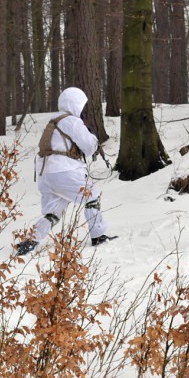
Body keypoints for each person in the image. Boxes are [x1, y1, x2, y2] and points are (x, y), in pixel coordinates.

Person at [16, 87, 115, 255]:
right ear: (77, 104)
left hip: (45, 174)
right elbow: (90, 147)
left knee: (53, 212)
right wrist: (92, 136)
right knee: (91, 196)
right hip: (63, 170)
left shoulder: (53, 120)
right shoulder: (72, 121)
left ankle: (31, 240)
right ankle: (99, 236)